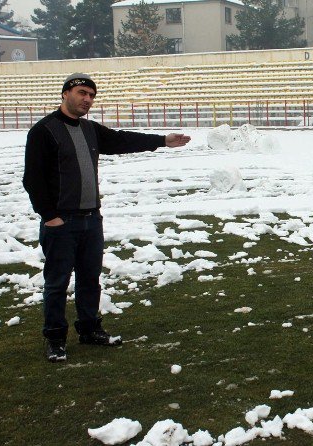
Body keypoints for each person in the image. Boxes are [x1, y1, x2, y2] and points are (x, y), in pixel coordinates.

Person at [23, 73, 191, 362]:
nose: (87, 99)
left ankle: (89, 330)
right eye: (82, 93)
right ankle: (55, 338)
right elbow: (33, 178)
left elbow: (121, 140)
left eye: (91, 95)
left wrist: (163, 140)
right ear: (66, 94)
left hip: (91, 219)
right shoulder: (44, 131)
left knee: (90, 279)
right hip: (61, 222)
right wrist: (49, 216)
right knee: (57, 282)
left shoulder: (90, 130)